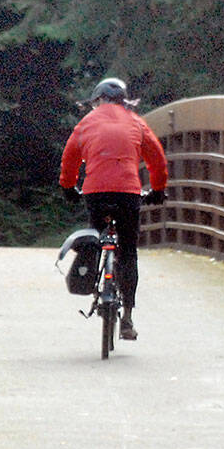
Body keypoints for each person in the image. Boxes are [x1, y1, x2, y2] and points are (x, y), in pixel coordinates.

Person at [59, 77, 168, 340]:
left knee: (95, 239)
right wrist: (158, 189)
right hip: (128, 193)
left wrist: (68, 187)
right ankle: (127, 318)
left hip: (96, 192)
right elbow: (157, 159)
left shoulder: (86, 123)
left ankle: (93, 277)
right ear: (124, 101)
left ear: (97, 100)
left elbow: (70, 157)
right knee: (128, 251)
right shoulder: (136, 123)